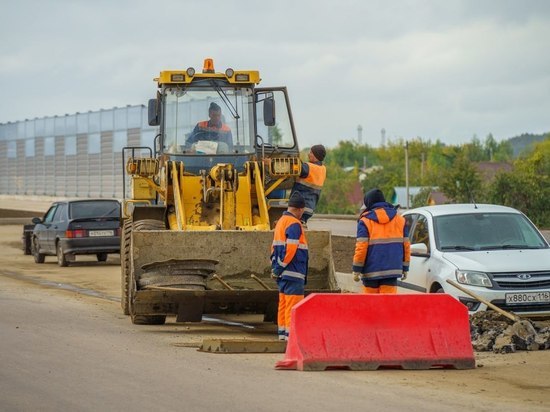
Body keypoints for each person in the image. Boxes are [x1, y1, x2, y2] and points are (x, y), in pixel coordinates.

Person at [352, 188, 410, 294]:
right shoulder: (400, 220)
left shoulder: (365, 221)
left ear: (369, 203)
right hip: (392, 271)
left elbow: (361, 247)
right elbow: (406, 245)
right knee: (388, 306)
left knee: (371, 307)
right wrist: (405, 267)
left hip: (370, 272)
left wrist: (357, 269)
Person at [270, 191, 308, 341]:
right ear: (299, 209)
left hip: (283, 273)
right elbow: (291, 249)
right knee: (294, 306)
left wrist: (275, 268)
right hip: (293, 272)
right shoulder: (294, 224)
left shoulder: (280, 221)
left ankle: (283, 334)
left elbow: (273, 247)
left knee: (284, 305)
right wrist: (280, 267)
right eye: (302, 211)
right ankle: (292, 337)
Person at [290, 144, 326, 225]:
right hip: (310, 208)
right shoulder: (323, 169)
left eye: (311, 152)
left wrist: (270, 163)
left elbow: (291, 168)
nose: (309, 154)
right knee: (300, 225)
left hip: (299, 207)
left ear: (316, 155)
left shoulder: (308, 167)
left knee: (291, 225)